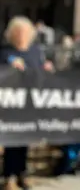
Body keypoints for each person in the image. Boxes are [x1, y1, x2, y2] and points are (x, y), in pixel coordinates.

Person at [1, 16, 54, 190]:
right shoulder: (6, 52)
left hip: (30, 103)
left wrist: (46, 67)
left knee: (25, 139)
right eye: (17, 32)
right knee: (12, 140)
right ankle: (9, 176)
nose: (21, 35)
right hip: (12, 104)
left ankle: (22, 173)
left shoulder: (35, 51)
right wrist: (10, 66)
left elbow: (40, 70)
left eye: (24, 32)